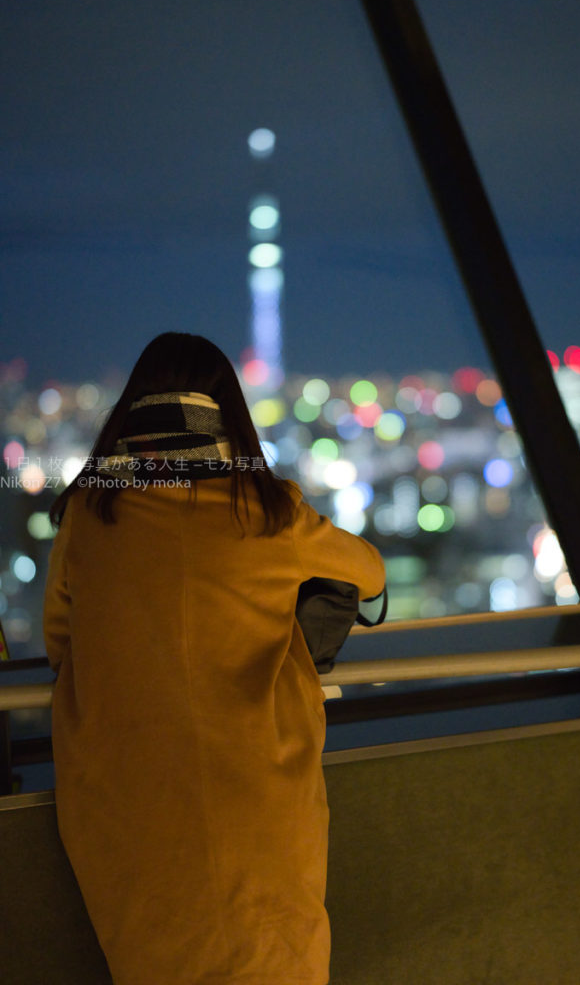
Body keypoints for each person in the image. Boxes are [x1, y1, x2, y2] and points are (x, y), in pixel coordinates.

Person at [43, 332, 385, 985]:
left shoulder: (90, 513)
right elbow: (367, 573)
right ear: (226, 415)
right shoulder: (267, 512)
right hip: (259, 795)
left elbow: (61, 641)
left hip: (127, 808)